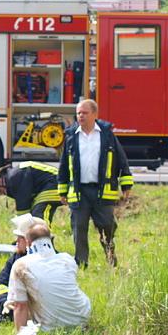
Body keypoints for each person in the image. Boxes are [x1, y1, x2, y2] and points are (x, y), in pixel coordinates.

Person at [58, 99, 133, 267]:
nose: (80, 116)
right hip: (79, 192)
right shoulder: (71, 136)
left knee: (107, 226)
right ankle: (81, 263)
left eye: (84, 113)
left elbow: (121, 159)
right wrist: (62, 190)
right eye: (78, 113)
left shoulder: (107, 135)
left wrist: (126, 184)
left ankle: (111, 260)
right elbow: (64, 164)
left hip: (102, 191)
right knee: (79, 228)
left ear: (94, 114)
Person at [6, 220, 91, 332]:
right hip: (81, 319)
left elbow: (20, 306)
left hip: (49, 328)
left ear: (28, 242)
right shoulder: (67, 259)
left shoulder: (21, 266)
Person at [0, 161, 62, 227]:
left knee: (38, 217)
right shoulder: (14, 175)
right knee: (34, 217)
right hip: (50, 183)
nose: (2, 193)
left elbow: (23, 208)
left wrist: (21, 228)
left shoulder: (14, 179)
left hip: (54, 183)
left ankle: (43, 238)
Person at [0, 214, 31, 326]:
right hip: (16, 304)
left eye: (20, 238)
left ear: (29, 241)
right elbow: (1, 284)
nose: (16, 241)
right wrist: (6, 302)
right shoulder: (15, 258)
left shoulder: (43, 260)